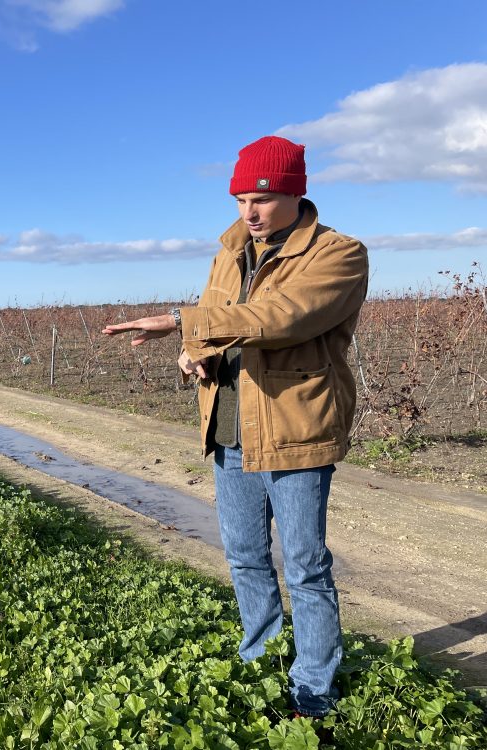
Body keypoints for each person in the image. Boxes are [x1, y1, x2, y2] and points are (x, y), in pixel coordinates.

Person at [102, 135, 368, 718]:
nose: (250, 212)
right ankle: (262, 661)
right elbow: (214, 327)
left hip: (294, 431)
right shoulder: (228, 252)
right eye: (241, 198)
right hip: (227, 426)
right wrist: (191, 353)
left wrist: (180, 321)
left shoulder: (339, 254)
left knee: (305, 565)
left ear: (297, 193)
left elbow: (282, 317)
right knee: (245, 556)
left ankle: (313, 690)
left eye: (264, 199)